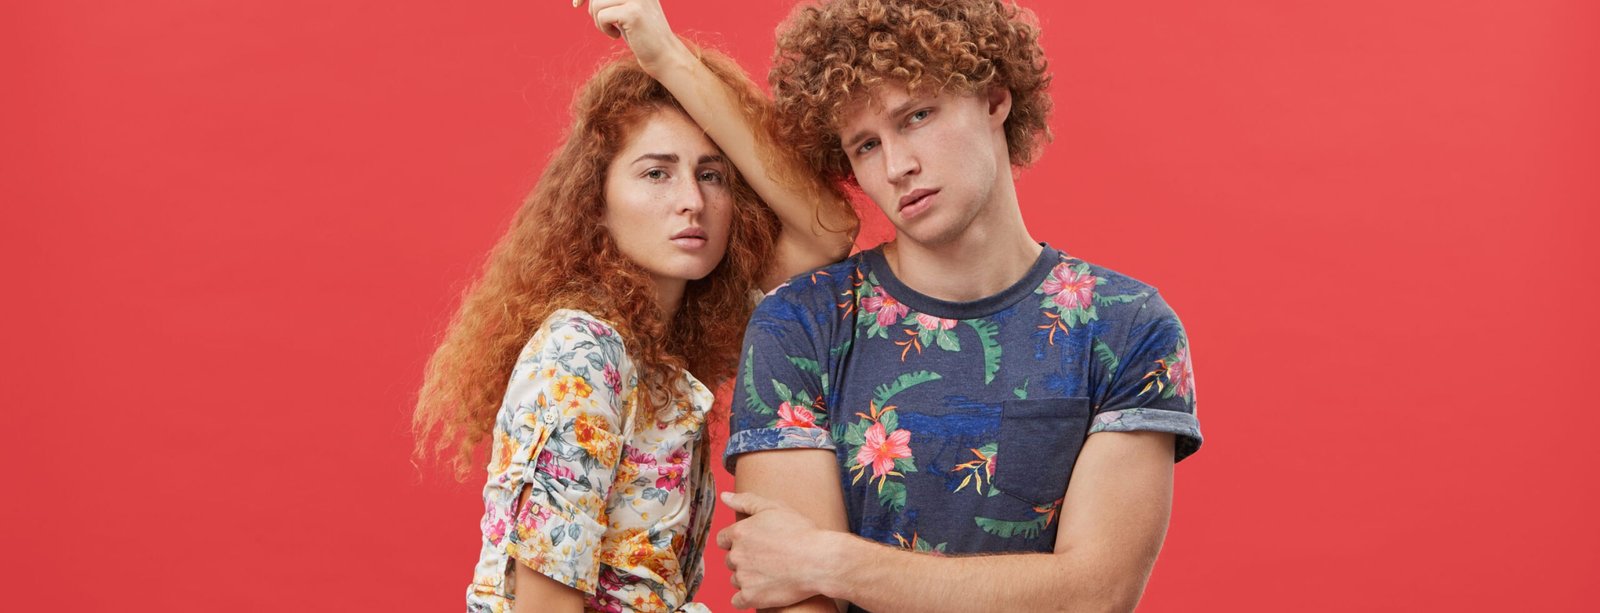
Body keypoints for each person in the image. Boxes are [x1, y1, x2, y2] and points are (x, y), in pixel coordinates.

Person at [716, 0, 1204, 611]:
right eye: (865, 145)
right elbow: (790, 594)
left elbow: (1095, 597)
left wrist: (830, 560)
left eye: (916, 116)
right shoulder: (801, 324)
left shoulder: (1127, 327)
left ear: (995, 98)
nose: (897, 166)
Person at [411, 1, 856, 611]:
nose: (691, 202)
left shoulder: (664, 354)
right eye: (656, 174)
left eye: (712, 175)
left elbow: (827, 230)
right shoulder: (583, 351)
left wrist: (668, 57)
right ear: (597, 203)